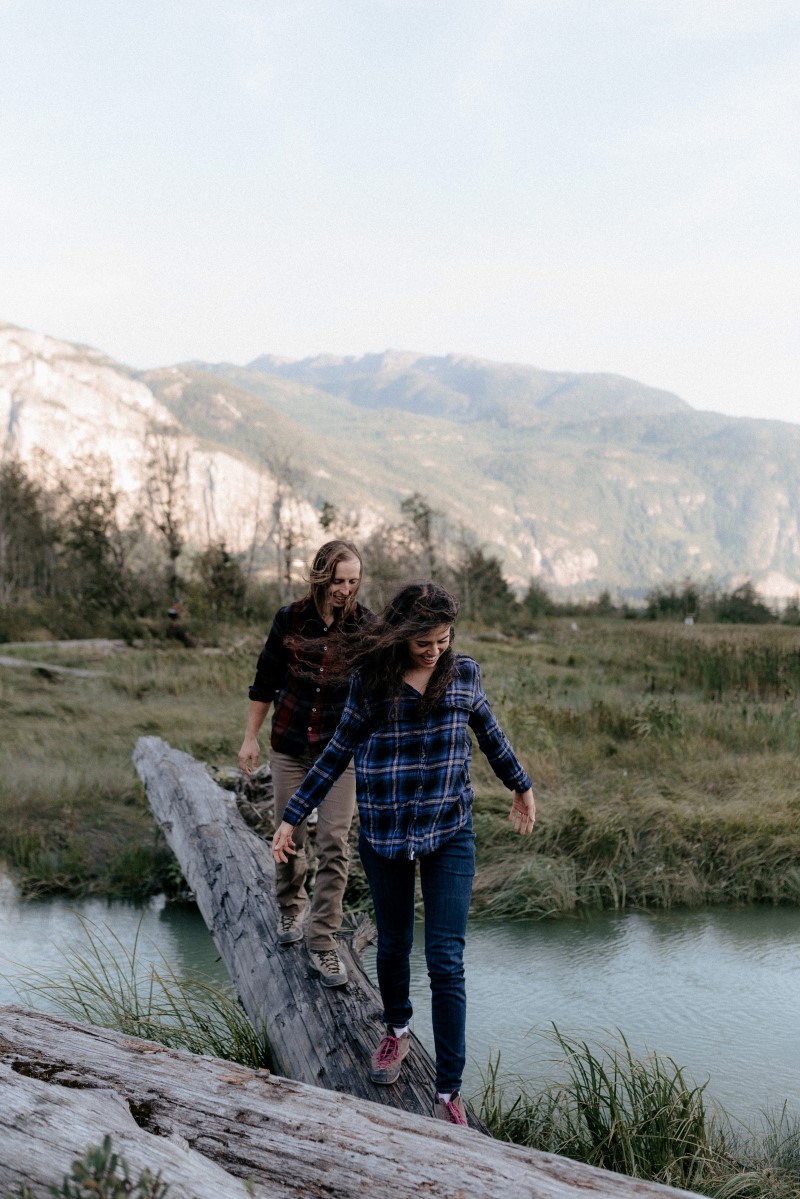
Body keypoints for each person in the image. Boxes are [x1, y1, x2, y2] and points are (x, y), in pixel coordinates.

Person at [272, 581, 536, 1126]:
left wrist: (521, 785)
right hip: (387, 833)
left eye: (443, 640)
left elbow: (489, 733)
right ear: (401, 635)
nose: (435, 651)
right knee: (392, 945)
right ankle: (395, 1029)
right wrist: (292, 817)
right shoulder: (372, 680)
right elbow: (337, 750)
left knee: (446, 960)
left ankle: (448, 1092)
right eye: (424, 642)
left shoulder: (463, 674)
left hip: (449, 830)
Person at [238, 540, 372, 988]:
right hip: (291, 746)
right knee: (289, 835)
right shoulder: (289, 618)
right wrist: (249, 738)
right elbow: (264, 683)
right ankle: (290, 909)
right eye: (338, 581)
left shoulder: (366, 627)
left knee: (335, 841)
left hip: (339, 755)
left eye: (353, 581)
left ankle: (323, 942)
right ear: (320, 577)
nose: (345, 590)